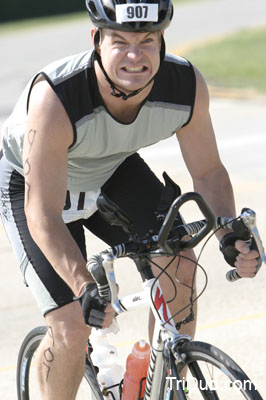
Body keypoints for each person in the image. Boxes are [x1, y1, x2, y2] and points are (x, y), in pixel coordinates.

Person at [0, 0, 260, 398]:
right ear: (96, 41)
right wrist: (83, 286)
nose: (135, 55)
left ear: (162, 41)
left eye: (147, 41)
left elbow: (208, 172)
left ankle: (162, 385)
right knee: (71, 325)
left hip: (109, 169)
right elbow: (43, 214)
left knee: (179, 263)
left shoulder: (185, 85)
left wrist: (229, 231)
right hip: (34, 186)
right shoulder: (56, 99)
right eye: (120, 41)